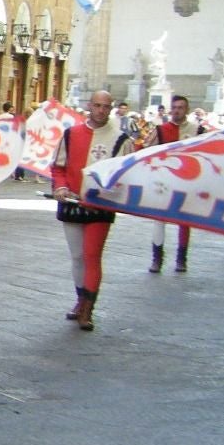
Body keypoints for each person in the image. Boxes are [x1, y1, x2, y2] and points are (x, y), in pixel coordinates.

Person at [52, 91, 132, 331]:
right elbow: (58, 167)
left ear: (111, 108)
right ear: (89, 106)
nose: (100, 110)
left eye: (105, 106)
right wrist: (61, 187)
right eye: (97, 105)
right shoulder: (71, 134)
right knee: (77, 256)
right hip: (72, 203)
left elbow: (126, 175)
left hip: (100, 207)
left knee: (91, 256)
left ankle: (88, 309)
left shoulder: (121, 140)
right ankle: (80, 300)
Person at [149, 94, 200, 273]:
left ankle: (181, 259)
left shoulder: (198, 131)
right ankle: (157, 259)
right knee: (159, 220)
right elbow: (146, 152)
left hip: (187, 183)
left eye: (181, 108)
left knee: (185, 221)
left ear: (187, 110)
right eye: (175, 107)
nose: (177, 111)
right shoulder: (160, 130)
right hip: (164, 183)